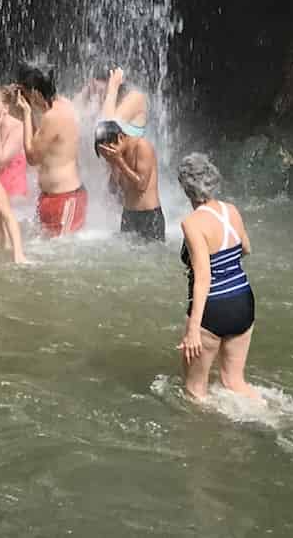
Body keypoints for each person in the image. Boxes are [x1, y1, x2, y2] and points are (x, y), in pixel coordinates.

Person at [174, 153, 261, 402]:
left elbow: (203, 277)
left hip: (214, 307)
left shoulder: (192, 223)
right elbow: (246, 248)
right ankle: (268, 412)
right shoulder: (231, 210)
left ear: (185, 187)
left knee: (194, 391)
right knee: (234, 381)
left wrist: (193, 330)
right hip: (243, 300)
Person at [14, 64, 86, 236]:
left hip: (65, 198)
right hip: (53, 197)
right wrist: (30, 112)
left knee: (62, 252)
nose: (26, 98)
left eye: (26, 93)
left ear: (37, 93)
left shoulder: (52, 117)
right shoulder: (63, 105)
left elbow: (32, 157)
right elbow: (39, 143)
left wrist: (25, 113)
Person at [96, 119, 162, 240]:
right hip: (128, 216)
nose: (108, 156)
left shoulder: (142, 146)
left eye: (109, 151)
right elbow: (113, 190)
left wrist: (119, 162)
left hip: (149, 217)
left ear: (120, 137)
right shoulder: (117, 156)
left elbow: (142, 185)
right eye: (105, 155)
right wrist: (113, 165)